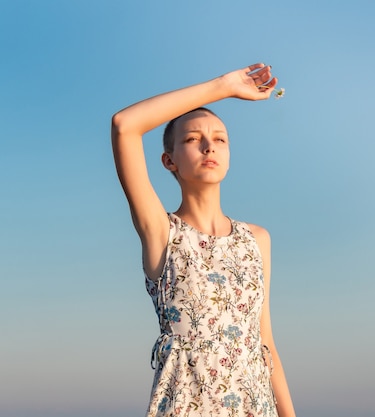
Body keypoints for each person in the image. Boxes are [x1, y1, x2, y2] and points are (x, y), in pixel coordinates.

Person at [111, 63, 296, 417]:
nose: (209, 147)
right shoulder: (162, 232)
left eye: (220, 139)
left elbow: (264, 341)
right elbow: (125, 126)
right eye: (193, 139)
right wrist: (224, 86)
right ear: (169, 161)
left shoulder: (257, 239)